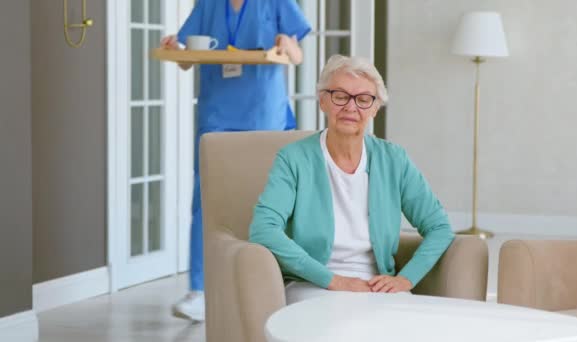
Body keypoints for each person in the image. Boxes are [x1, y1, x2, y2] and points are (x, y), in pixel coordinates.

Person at [249, 55, 455, 304]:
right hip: (311, 283)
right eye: (340, 95)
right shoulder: (293, 158)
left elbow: (439, 227)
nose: (350, 107)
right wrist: (334, 280)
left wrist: (406, 279)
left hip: (378, 284)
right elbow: (263, 229)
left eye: (363, 99)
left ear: (375, 107)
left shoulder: (393, 159)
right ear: (323, 100)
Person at [160, 0, 311, 321]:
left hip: (263, 113)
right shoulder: (208, 5)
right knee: (206, 200)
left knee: (268, 201)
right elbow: (188, 59)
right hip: (216, 113)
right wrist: (174, 46)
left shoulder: (276, 3)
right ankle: (199, 291)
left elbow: (297, 56)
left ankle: (279, 283)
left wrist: (288, 46)